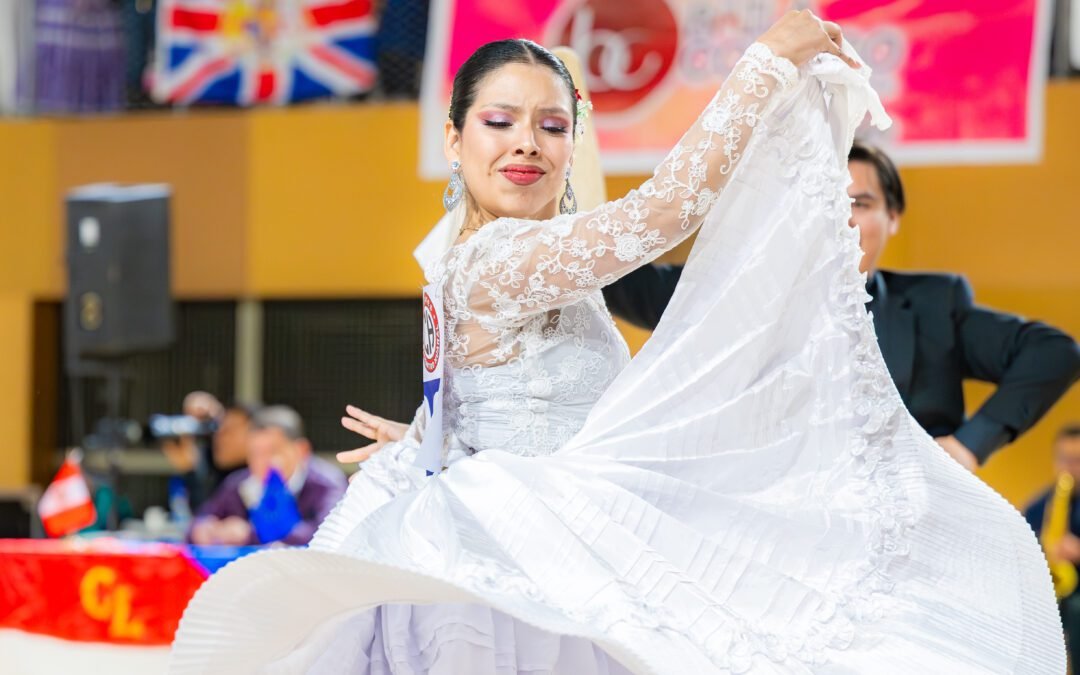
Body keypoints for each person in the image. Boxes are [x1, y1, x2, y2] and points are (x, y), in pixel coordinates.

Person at [171, 12, 1063, 674]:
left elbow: (497, 386)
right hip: (519, 563)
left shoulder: (460, 256)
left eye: (553, 126)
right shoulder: (503, 255)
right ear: (452, 137)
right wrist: (763, 62)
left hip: (524, 536)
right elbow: (661, 214)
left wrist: (439, 439)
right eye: (501, 121)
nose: (528, 143)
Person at [603, 140, 1080, 471]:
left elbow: (1054, 352)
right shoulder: (737, 295)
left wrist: (971, 445)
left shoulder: (935, 305)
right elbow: (613, 274)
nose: (841, 218)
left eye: (860, 203)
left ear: (893, 217)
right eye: (825, 201)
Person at [187, 405, 346, 546]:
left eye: (272, 452)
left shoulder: (328, 484)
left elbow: (326, 535)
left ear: (301, 450)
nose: (262, 462)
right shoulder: (239, 483)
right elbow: (201, 519)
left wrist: (249, 535)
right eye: (255, 453)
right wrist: (204, 530)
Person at [1025, 423, 1080, 661]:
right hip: (1051, 590)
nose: (1069, 467)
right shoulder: (1040, 505)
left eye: (1077, 460)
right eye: (1063, 459)